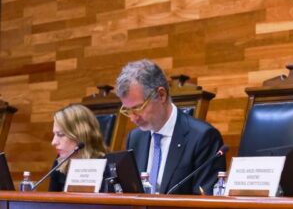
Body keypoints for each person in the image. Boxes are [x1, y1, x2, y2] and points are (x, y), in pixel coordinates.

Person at [116, 60, 225, 195]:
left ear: (161, 95)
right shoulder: (135, 138)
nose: (133, 118)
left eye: (138, 108)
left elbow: (205, 200)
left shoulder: (203, 137)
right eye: (127, 110)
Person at [48, 104, 108, 191]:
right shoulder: (60, 163)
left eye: (60, 134)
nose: (53, 142)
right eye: (54, 134)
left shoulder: (106, 166)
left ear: (80, 135)